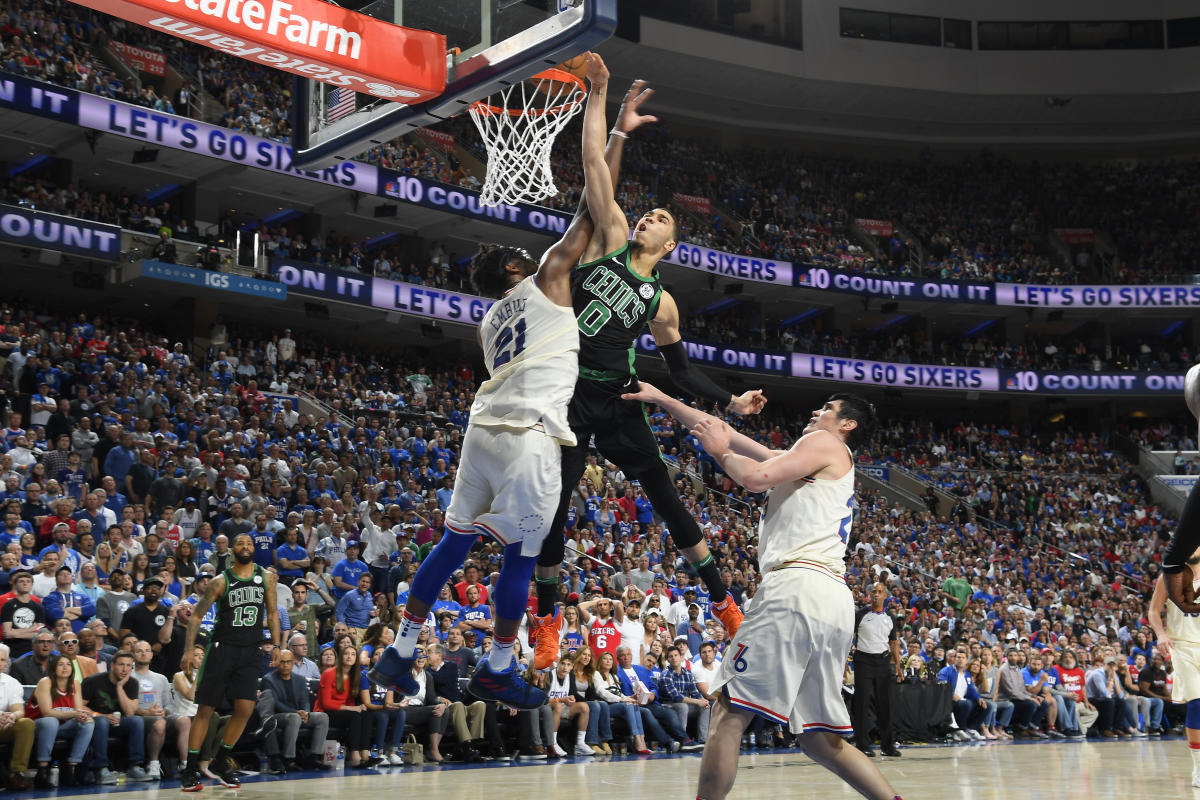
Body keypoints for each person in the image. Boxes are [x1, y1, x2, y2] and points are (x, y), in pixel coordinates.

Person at [368, 66, 653, 708]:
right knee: (523, 555)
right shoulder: (550, 276)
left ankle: (400, 651)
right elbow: (594, 203)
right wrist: (612, 125)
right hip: (529, 437)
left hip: (482, 432)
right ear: (518, 269)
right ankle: (499, 666)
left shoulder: (489, 322)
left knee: (454, 539)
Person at [532, 54, 765, 652]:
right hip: (571, 392)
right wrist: (604, 104)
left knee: (664, 496)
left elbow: (681, 371)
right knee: (554, 506)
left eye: (660, 218)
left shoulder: (662, 304)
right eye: (647, 212)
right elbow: (593, 170)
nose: (647, 217)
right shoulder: (608, 239)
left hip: (620, 394)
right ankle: (549, 617)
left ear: (671, 243)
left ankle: (723, 601)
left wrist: (730, 397)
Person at [620, 383, 898, 799]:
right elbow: (729, 435)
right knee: (820, 740)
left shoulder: (822, 441)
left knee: (728, 713)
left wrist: (719, 453)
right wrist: (662, 398)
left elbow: (752, 476)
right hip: (832, 597)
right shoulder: (818, 459)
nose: (816, 412)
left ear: (847, 424)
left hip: (796, 589)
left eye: (827, 407)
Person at [179, 533, 280, 791]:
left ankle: (221, 761)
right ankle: (190, 768)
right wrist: (189, 650)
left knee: (245, 709)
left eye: (249, 543)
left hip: (251, 651)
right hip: (222, 649)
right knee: (205, 709)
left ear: (254, 549)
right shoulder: (219, 581)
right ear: (231, 550)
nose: (245, 546)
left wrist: (278, 645)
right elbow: (196, 616)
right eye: (240, 543)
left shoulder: (266, 578)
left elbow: (272, 613)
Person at [1150, 562, 1200, 786]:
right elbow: (1153, 610)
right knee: (1197, 703)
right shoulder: (1169, 576)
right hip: (1181, 646)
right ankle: (1198, 767)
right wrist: (1160, 634)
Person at [81, 650, 151, 784]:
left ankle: (135, 767)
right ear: (112, 666)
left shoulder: (132, 683)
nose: (125, 669)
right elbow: (80, 707)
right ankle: (101, 769)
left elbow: (130, 712)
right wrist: (101, 715)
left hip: (119, 723)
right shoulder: (93, 681)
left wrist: (119, 687)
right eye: (121, 665)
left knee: (136, 721)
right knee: (101, 722)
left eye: (129, 666)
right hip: (96, 721)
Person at [851, 582, 902, 757]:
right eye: (873, 591)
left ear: (885, 595)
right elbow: (849, 636)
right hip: (863, 661)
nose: (876, 594)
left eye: (880, 592)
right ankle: (862, 744)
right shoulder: (861, 614)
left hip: (883, 662)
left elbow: (894, 643)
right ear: (869, 595)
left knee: (885, 704)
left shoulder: (890, 617)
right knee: (862, 704)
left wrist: (898, 665)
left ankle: (887, 746)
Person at [262, 647, 331, 773]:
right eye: (282, 662)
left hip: (298, 714)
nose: (285, 665)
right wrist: (296, 713)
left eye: (288, 662)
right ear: (277, 663)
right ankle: (289, 759)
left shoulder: (299, 679)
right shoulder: (268, 679)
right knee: (294, 718)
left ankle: (314, 756)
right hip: (278, 716)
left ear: (293, 662)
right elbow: (275, 703)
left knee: (322, 717)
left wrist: (305, 712)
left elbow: (305, 700)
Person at [30, 653, 93, 787]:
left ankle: (71, 769)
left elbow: (77, 710)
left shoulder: (75, 684)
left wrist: (82, 715)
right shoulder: (45, 682)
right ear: (53, 668)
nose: (65, 667)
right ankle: (42, 770)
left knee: (87, 722)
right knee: (51, 721)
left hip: (61, 726)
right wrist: (74, 714)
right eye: (61, 664)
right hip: (38, 725)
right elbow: (46, 712)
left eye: (68, 664)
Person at [0, 644, 36, 789]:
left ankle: (16, 773)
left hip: (4, 726)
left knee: (26, 723)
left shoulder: (11, 683)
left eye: (2, 660)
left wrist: (12, 716)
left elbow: (19, 710)